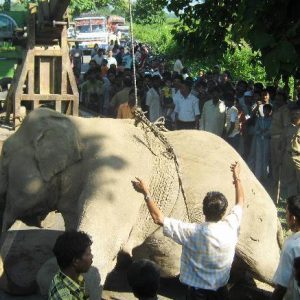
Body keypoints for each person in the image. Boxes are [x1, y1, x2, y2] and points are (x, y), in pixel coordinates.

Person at [132, 162, 244, 300]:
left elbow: (158, 219)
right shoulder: (231, 226)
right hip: (221, 293)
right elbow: (240, 202)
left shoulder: (191, 232)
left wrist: (146, 192)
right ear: (224, 212)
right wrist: (237, 177)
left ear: (203, 210)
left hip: (196, 295)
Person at [48, 231, 93, 300]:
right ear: (75, 261)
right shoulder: (64, 297)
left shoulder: (67, 276)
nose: (92, 256)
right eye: (88, 254)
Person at [272, 195, 300, 300]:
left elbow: (281, 286)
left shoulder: (291, 246)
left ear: (293, 218)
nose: (285, 216)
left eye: (286, 213)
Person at [254, 104, 272, 181]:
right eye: (264, 110)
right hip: (259, 140)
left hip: (267, 140)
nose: (265, 111)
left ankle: (265, 176)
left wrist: (264, 132)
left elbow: (270, 131)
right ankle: (257, 176)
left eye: (267, 110)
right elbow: (256, 130)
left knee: (266, 158)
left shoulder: (272, 120)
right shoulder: (259, 119)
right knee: (258, 157)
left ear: (270, 111)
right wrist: (261, 131)